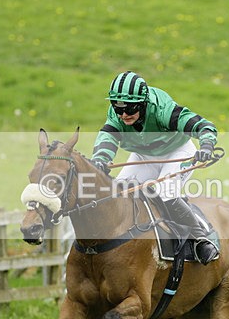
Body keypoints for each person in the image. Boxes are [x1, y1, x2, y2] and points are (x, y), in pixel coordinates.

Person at [91, 70, 219, 264]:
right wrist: (100, 159)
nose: (124, 114)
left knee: (165, 192)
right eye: (118, 108)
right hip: (144, 155)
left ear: (143, 103)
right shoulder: (117, 115)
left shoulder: (162, 109)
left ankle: (202, 238)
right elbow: (107, 137)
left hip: (177, 152)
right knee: (118, 192)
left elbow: (202, 125)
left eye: (130, 108)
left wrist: (207, 145)